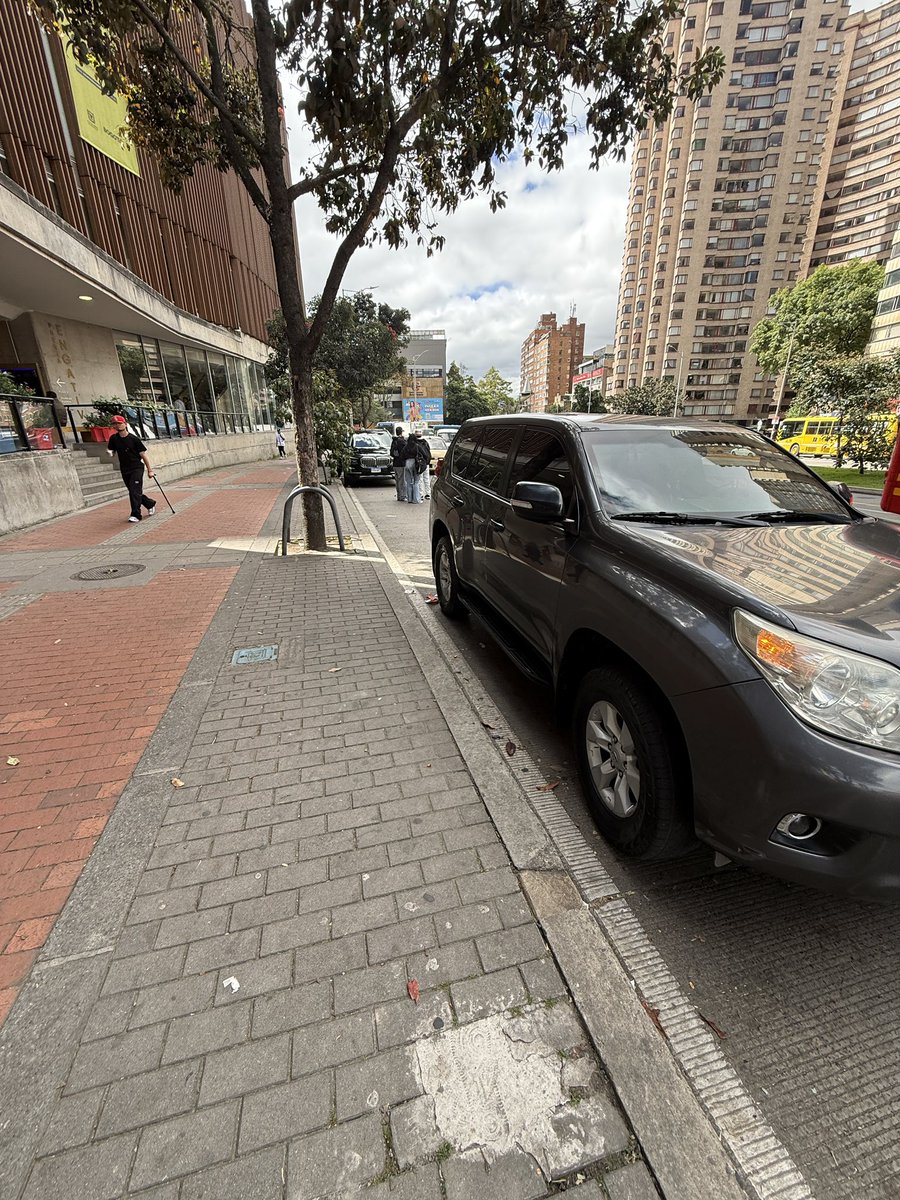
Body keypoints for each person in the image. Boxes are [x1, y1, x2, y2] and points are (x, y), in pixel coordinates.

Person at [107, 415, 156, 522]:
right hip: (125, 469)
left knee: (134, 491)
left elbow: (143, 455)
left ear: (125, 424)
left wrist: (150, 470)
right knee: (134, 491)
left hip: (136, 468)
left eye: (119, 423)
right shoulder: (114, 439)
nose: (117, 426)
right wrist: (110, 453)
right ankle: (150, 504)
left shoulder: (134, 439)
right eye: (115, 424)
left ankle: (136, 514)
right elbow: (112, 450)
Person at [402, 429, 431, 503]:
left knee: (409, 482)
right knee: (416, 482)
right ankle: (416, 499)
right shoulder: (417, 446)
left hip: (407, 464)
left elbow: (402, 455)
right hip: (415, 464)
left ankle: (409, 499)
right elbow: (425, 455)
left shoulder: (406, 446)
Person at [390, 425, 407, 500]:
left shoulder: (394, 441)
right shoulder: (402, 441)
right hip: (401, 463)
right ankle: (402, 496)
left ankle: (398, 495)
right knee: (401, 480)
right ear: (401, 432)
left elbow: (391, 452)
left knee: (397, 480)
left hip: (395, 463)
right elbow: (405, 451)